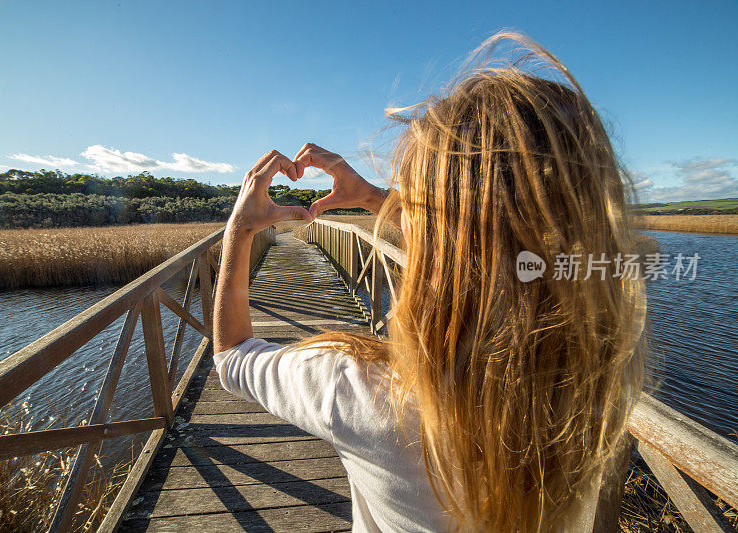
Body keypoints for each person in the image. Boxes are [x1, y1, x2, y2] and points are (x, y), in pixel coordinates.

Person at [213, 31, 645, 532]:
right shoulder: (598, 383)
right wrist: (377, 198)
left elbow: (232, 356)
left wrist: (239, 231)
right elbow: (495, 255)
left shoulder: (358, 391)